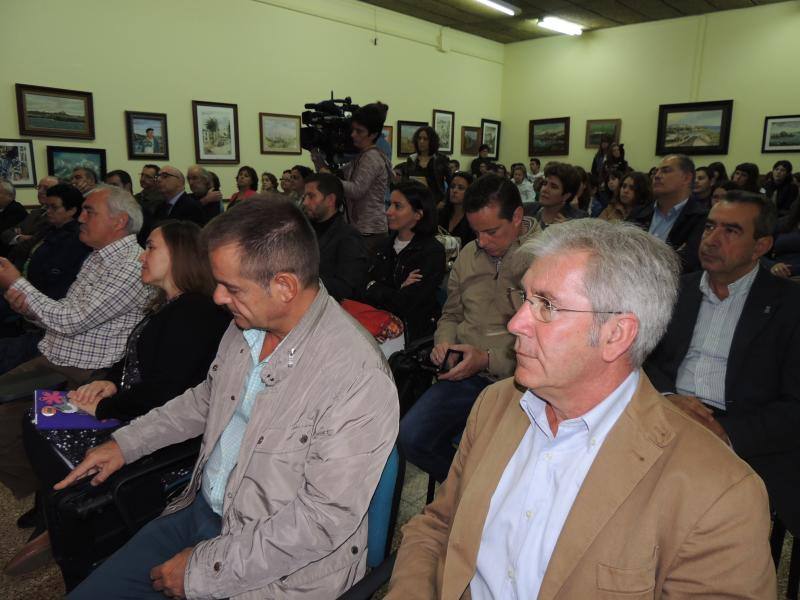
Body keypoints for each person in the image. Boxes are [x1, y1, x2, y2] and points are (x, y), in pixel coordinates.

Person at [388, 219, 776, 599]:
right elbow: (438, 526)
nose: (517, 322)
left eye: (547, 306)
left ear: (616, 335)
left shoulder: (719, 493)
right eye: (525, 299)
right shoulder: (498, 403)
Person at [56, 197, 399, 599]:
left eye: (231, 287)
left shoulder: (356, 376)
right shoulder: (247, 322)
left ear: (284, 286)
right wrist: (127, 444)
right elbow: (207, 399)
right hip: (202, 511)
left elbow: (321, 522)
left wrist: (202, 573)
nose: (218, 297)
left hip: (283, 568)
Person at [3, 221, 232, 575]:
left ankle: (74, 517)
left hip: (161, 432)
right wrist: (109, 383)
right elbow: (133, 361)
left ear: (179, 256)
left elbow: (165, 392)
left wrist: (104, 407)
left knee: (42, 423)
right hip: (136, 406)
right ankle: (66, 515)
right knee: (41, 414)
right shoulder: (170, 305)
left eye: (152, 247)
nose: (142, 255)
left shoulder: (194, 311)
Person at [644, 191, 800, 539]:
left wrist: (726, 432)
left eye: (731, 231)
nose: (711, 239)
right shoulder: (673, 291)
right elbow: (640, 361)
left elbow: (795, 406)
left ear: (761, 246)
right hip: (670, 418)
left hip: (747, 437)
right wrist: (668, 397)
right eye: (710, 226)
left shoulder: (789, 306)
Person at [0, 186, 150, 504]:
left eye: (89, 211)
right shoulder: (98, 258)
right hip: (55, 357)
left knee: (23, 432)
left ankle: (55, 495)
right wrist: (29, 308)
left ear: (119, 221)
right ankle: (48, 489)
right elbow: (65, 317)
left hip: (85, 374)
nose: (80, 218)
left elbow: (70, 319)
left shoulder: (130, 267)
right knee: (13, 430)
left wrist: (17, 283)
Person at [399, 174, 540, 483]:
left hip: (522, 383)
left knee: (501, 457)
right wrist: (445, 343)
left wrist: (488, 359)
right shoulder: (468, 255)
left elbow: (547, 343)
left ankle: (484, 495)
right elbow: (450, 313)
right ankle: (467, 493)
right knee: (411, 437)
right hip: (466, 373)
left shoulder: (546, 261)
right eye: (476, 232)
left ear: (517, 217)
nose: (482, 242)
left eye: (491, 231)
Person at [0, 184, 91, 371]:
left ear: (72, 210)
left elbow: (54, 284)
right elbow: (20, 250)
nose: (47, 211)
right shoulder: (49, 228)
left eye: (54, 207)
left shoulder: (76, 240)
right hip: (23, 288)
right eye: (47, 206)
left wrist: (17, 285)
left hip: (38, 304)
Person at [362, 180, 445, 342]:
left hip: (412, 334)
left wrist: (375, 287)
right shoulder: (382, 246)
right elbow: (361, 288)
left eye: (397, 206)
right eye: (389, 204)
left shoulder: (431, 252)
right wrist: (397, 290)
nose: (388, 212)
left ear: (418, 214)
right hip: (376, 327)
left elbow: (407, 304)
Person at [313, 102, 391, 252]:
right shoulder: (362, 157)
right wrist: (317, 157)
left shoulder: (372, 157)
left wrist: (329, 176)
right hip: (361, 228)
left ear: (373, 134)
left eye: (359, 131)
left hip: (370, 232)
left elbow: (356, 190)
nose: (353, 135)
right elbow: (335, 176)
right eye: (353, 129)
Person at [630, 154, 707, 274]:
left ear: (686, 178)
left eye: (665, 171)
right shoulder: (639, 213)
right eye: (656, 172)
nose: (657, 176)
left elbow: (687, 264)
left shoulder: (701, 219)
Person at [301, 174, 368, 301]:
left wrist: (303, 281)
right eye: (304, 197)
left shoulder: (348, 237)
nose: (305, 202)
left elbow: (348, 288)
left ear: (330, 200)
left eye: (311, 196)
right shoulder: (302, 230)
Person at [0, 176, 58, 261]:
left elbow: (36, 242)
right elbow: (5, 234)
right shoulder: (35, 213)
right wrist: (20, 237)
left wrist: (19, 236)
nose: (40, 191)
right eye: (39, 187)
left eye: (46, 188)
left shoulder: (57, 216)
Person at [532, 162, 586, 229]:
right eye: (545, 183)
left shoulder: (579, 221)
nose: (545, 189)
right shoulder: (528, 210)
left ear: (566, 196)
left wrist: (571, 233)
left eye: (553, 187)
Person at [405, 126, 450, 206]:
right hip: (416, 202)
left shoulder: (441, 159)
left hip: (436, 203)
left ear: (432, 141)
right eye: (419, 138)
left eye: (425, 139)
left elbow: (451, 182)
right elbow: (406, 181)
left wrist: (444, 201)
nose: (421, 141)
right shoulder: (411, 159)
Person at [438, 171, 476, 248]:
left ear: (470, 192)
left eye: (461, 188)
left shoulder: (474, 219)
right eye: (452, 186)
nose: (454, 191)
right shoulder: (440, 213)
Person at [0, 179, 30, 256]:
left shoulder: (16, 209)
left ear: (10, 196)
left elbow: (2, 232)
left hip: (10, 253)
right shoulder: (4, 208)